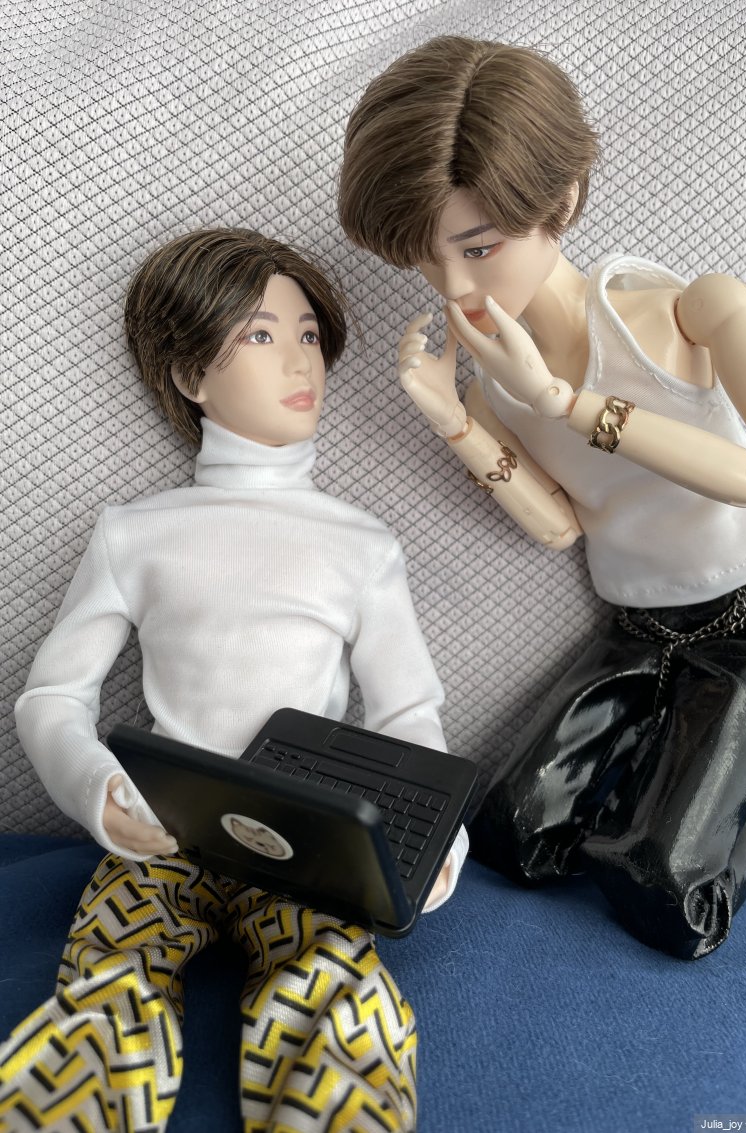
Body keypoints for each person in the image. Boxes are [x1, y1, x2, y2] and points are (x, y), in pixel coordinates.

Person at [337, 35, 746, 960]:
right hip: (636, 625)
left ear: (565, 200)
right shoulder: (496, 385)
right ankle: (670, 767)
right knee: (512, 836)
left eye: (480, 248)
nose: (456, 287)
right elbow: (560, 526)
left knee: (668, 896)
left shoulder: (693, 310)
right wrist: (454, 418)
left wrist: (563, 402)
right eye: (427, 261)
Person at [0, 228, 468, 1132]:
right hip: (161, 837)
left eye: (308, 334)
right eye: (260, 333)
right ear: (190, 374)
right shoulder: (134, 532)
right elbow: (51, 697)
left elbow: (408, 710)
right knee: (106, 995)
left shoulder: (362, 545)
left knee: (336, 992)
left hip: (311, 849)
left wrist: (429, 832)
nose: (300, 360)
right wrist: (100, 791)